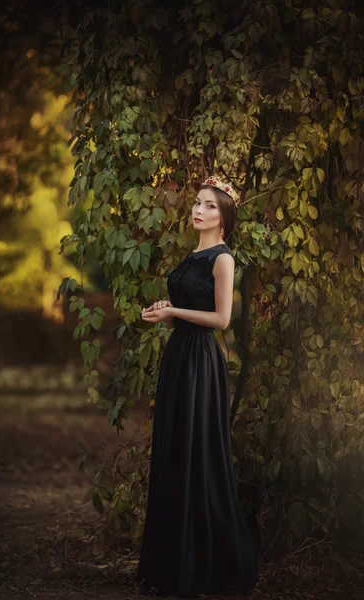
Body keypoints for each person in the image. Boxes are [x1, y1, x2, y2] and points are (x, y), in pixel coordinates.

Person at [136, 176, 259, 598]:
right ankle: (171, 562)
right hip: (178, 356)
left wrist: (176, 311)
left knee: (196, 452)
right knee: (173, 448)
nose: (199, 209)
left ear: (222, 218)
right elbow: (188, 311)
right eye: (198, 203)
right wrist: (165, 314)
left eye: (208, 206)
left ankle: (203, 564)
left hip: (202, 361)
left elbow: (222, 320)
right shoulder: (194, 253)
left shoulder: (222, 258)